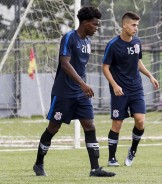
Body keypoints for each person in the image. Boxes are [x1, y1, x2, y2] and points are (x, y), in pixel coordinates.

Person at [33, 6, 115, 177]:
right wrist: (83, 84)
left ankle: (95, 169)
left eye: (98, 25)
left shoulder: (87, 42)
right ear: (85, 23)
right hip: (63, 93)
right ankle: (39, 163)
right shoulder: (69, 37)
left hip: (80, 95)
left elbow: (81, 67)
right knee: (53, 128)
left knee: (89, 126)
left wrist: (82, 88)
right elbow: (65, 63)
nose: (96, 27)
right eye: (94, 24)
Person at [102, 11, 159, 167]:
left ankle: (132, 150)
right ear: (124, 25)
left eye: (137, 25)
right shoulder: (113, 45)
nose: (136, 28)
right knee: (117, 125)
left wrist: (150, 76)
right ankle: (112, 158)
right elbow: (105, 67)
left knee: (140, 121)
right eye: (133, 25)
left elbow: (138, 62)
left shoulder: (137, 42)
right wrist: (114, 85)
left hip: (136, 89)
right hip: (119, 91)